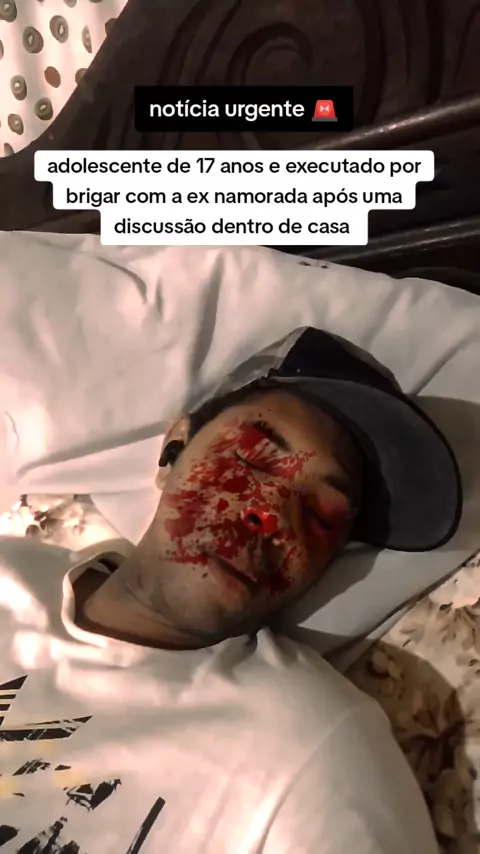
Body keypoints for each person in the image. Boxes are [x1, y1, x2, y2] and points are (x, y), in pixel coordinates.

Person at [0, 327, 460, 854]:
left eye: (321, 515)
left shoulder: (313, 750)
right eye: (253, 459)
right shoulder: (10, 571)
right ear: (173, 450)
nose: (269, 513)